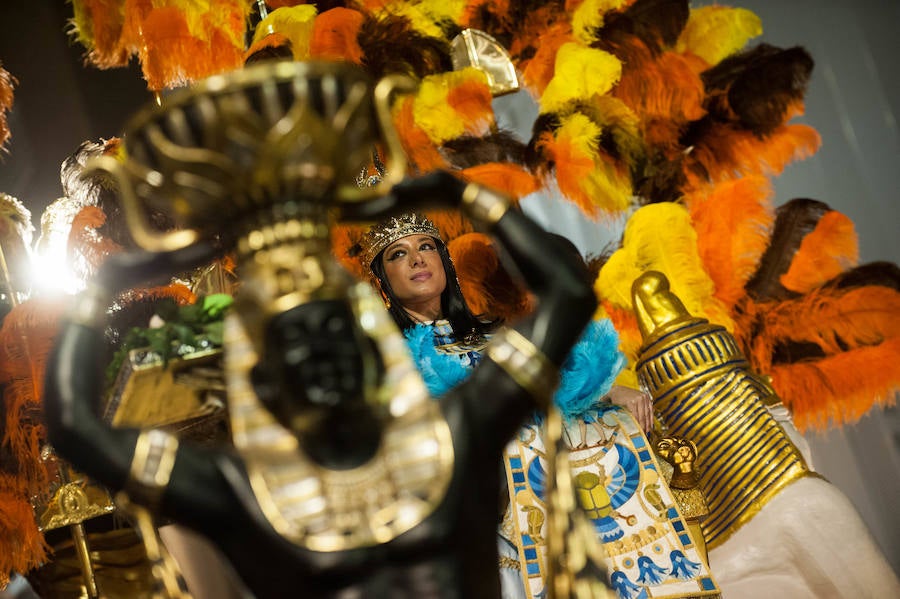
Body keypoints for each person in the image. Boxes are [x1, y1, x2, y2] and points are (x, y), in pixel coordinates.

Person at [43, 171, 600, 598]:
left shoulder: (449, 433)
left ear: (371, 349)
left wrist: (466, 195)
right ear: (265, 381)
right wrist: (106, 284)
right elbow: (72, 430)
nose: (322, 358)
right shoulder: (245, 490)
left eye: (335, 332)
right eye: (296, 346)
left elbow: (570, 296)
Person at [362, 215, 719, 599]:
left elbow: (551, 385)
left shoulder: (496, 335)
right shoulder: (382, 360)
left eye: (426, 247)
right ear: (382, 281)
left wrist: (609, 391)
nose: (417, 259)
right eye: (399, 254)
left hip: (541, 482)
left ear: (444, 262)